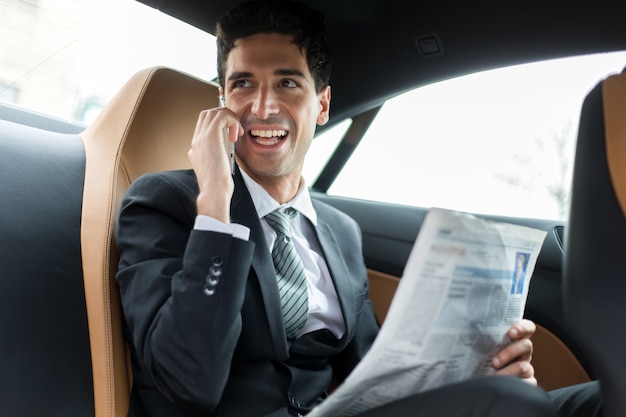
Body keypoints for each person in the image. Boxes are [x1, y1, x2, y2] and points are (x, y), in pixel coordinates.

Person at [115, 1, 602, 416]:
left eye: (287, 84)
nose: (262, 107)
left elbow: (371, 386)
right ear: (222, 100)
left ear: (322, 105)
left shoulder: (339, 233)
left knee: (594, 399)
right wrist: (216, 202)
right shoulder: (166, 203)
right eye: (243, 84)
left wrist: (478, 373)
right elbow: (188, 383)